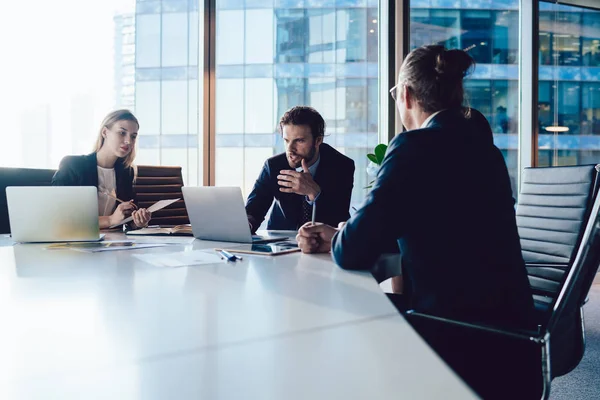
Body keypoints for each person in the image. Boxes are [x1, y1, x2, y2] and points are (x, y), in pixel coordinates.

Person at [296, 45, 534, 330]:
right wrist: (340, 234)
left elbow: (350, 253)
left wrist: (342, 237)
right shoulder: (486, 150)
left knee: (344, 317)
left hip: (455, 328)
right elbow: (446, 232)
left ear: (406, 95)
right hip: (510, 323)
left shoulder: (414, 146)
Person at [245, 106, 355, 232]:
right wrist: (246, 224)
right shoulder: (273, 166)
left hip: (322, 244)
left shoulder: (341, 165)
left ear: (318, 140)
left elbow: (338, 217)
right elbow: (254, 210)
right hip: (280, 240)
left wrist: (314, 193)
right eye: (287, 141)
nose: (290, 149)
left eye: (299, 141)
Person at [52, 109, 151, 230]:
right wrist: (110, 220)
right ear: (105, 132)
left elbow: (126, 219)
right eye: (122, 133)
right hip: (78, 242)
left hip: (113, 243)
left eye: (133, 136)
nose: (128, 141)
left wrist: (138, 221)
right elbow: (60, 217)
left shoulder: (126, 172)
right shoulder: (73, 165)